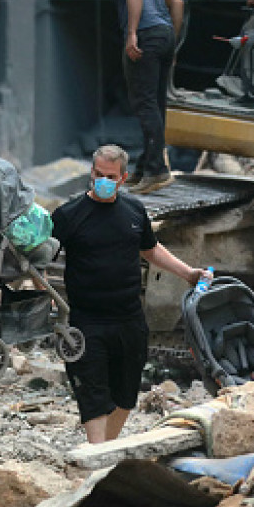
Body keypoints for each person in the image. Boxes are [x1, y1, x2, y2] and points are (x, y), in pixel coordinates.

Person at [51, 144, 211, 444]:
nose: (102, 180)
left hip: (129, 317)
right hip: (86, 321)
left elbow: (150, 249)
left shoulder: (134, 210)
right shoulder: (69, 215)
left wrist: (188, 273)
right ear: (91, 172)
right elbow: (42, 257)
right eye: (98, 174)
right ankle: (98, 457)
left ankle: (105, 453)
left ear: (122, 179)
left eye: (110, 176)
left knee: (125, 397)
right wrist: (43, 297)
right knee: (93, 394)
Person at [84, 0, 185, 195]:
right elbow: (176, 2)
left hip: (146, 36)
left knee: (144, 103)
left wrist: (132, 33)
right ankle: (146, 166)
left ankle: (157, 171)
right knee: (155, 104)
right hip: (163, 35)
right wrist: (171, 41)